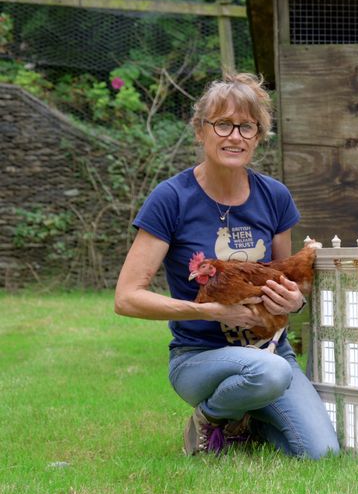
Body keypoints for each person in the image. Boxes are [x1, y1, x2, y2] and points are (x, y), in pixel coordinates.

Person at [114, 73, 339, 459]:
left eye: (246, 127)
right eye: (222, 124)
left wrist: (294, 302)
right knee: (271, 375)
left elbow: (287, 279)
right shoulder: (171, 198)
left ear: (258, 136)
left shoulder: (274, 196)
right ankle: (211, 415)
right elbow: (127, 298)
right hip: (199, 356)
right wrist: (208, 310)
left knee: (321, 454)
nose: (234, 136)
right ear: (201, 132)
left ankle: (248, 418)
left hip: (270, 351)